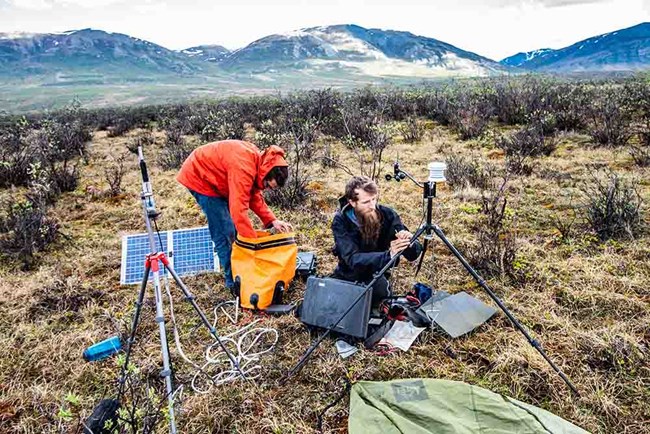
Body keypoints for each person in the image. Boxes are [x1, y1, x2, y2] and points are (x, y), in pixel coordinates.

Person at [177, 140, 292, 291]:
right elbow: (238, 211)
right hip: (200, 176)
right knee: (226, 230)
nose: (266, 189)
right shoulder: (244, 167)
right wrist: (253, 246)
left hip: (218, 177)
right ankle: (235, 283)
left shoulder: (259, 162)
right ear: (266, 173)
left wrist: (272, 221)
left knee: (236, 230)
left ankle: (241, 268)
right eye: (267, 185)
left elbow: (253, 195)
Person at [331, 175, 423, 305]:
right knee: (330, 306)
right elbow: (352, 259)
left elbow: (413, 255)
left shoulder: (388, 214)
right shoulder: (341, 221)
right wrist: (388, 255)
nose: (372, 206)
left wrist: (409, 243)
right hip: (348, 275)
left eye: (374, 199)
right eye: (366, 202)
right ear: (352, 202)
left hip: (376, 274)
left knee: (378, 305)